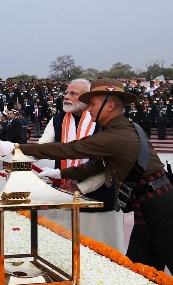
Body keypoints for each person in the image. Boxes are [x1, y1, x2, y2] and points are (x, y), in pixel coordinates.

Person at [0, 79, 173, 285]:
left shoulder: (116, 135)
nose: (90, 109)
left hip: (165, 213)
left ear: (110, 105)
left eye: (93, 104)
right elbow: (98, 164)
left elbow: (71, 149)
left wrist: (15, 147)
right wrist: (61, 174)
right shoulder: (122, 129)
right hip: (148, 212)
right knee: (138, 273)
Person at [34, 79, 122, 252]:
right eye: (66, 92)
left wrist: (80, 188)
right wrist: (16, 155)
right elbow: (42, 148)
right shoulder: (57, 120)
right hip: (65, 192)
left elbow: (105, 166)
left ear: (88, 99)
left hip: (98, 197)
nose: (67, 97)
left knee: (100, 251)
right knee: (65, 249)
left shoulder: (104, 122)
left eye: (73, 94)